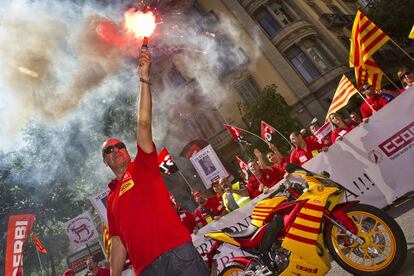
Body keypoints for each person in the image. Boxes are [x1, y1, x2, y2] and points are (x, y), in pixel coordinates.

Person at [103, 50, 208, 275]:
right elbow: (117, 241)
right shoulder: (111, 199)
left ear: (128, 151)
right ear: (106, 161)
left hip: (177, 252)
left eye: (120, 145)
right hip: (147, 269)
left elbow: (143, 124)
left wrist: (144, 79)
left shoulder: (142, 164)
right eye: (109, 150)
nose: (116, 150)